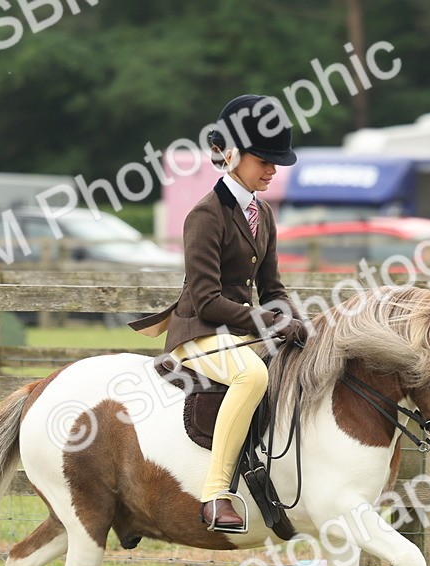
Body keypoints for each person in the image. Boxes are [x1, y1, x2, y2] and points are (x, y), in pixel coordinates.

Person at [130, 95, 308, 531]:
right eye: (264, 160)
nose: (272, 170)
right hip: (200, 331)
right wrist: (269, 322)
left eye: (276, 162)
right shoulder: (205, 216)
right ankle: (215, 495)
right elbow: (207, 298)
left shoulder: (262, 213)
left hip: (238, 332)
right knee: (252, 376)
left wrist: (298, 320)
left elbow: (272, 287)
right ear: (231, 154)